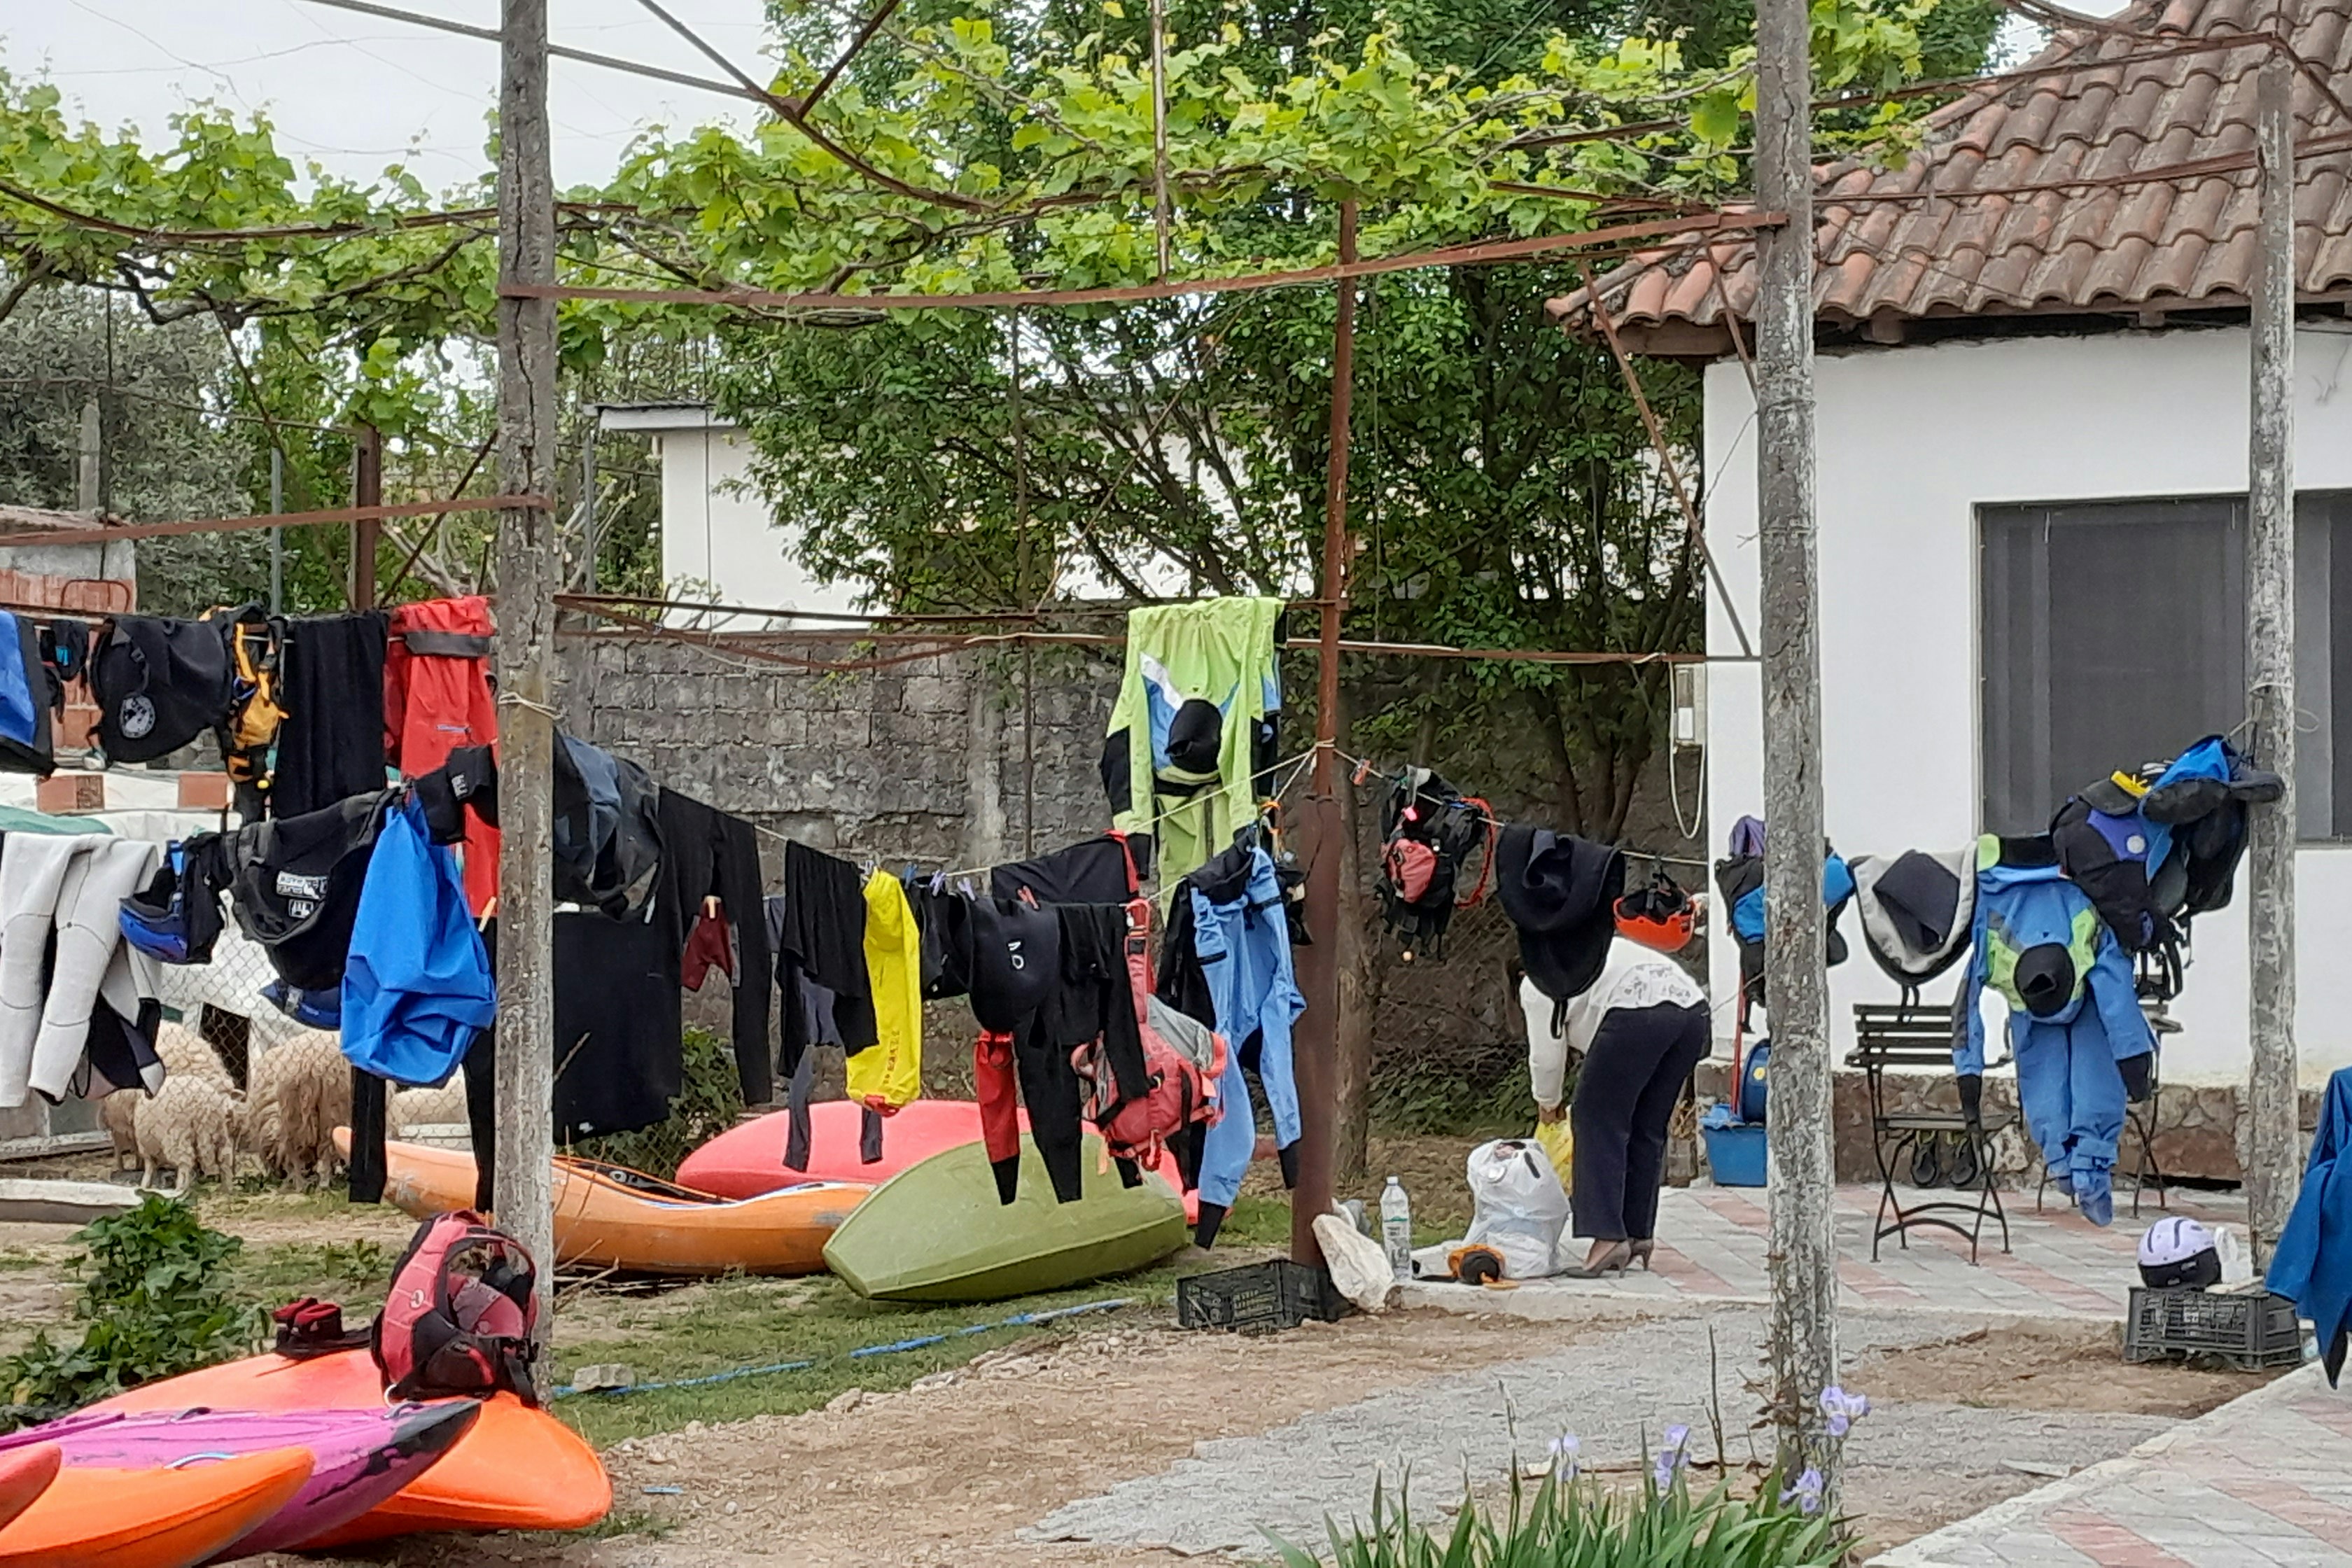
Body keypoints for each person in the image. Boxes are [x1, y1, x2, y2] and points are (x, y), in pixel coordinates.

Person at [1522, 898, 1708, 1278]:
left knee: (1594, 1119)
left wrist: (1548, 1104)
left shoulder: (1537, 984)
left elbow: (1546, 1058)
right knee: (1645, 1125)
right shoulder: (1593, 952)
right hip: (1692, 1012)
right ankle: (1638, 1233)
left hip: (1637, 1009)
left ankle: (1607, 1237)